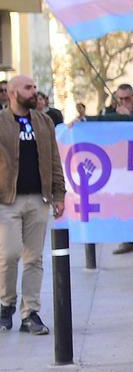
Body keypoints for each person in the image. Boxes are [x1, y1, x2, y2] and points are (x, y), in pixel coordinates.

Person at [0, 76, 65, 335]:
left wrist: (59, 194)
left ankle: (31, 313)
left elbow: (54, 159)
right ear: (13, 93)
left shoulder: (43, 121)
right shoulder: (2, 122)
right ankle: (6, 304)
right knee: (9, 255)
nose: (34, 92)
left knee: (34, 258)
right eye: (28, 88)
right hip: (7, 200)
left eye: (35, 88)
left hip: (39, 199)